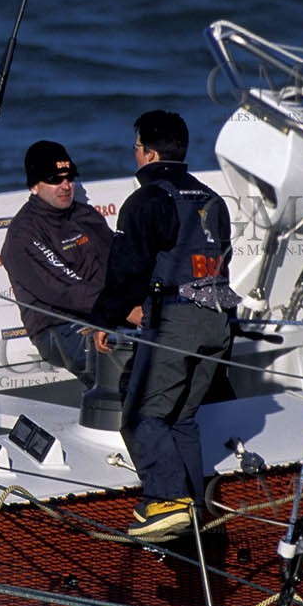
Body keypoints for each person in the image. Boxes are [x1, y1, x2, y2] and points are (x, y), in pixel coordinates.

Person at [91, 110, 237, 540]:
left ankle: (168, 502)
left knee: (141, 417)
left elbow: (127, 270)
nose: (134, 155)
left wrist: (104, 319)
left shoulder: (148, 200)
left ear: (149, 152)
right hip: (218, 323)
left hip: (177, 320)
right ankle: (194, 513)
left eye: (136, 147)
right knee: (182, 419)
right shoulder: (214, 200)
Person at [0, 139, 114, 382]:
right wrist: (117, 308)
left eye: (69, 178)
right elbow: (63, 288)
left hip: (106, 314)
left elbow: (120, 263)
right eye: (54, 179)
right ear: (34, 186)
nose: (65, 186)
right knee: (119, 357)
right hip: (57, 327)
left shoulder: (86, 216)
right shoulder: (24, 233)